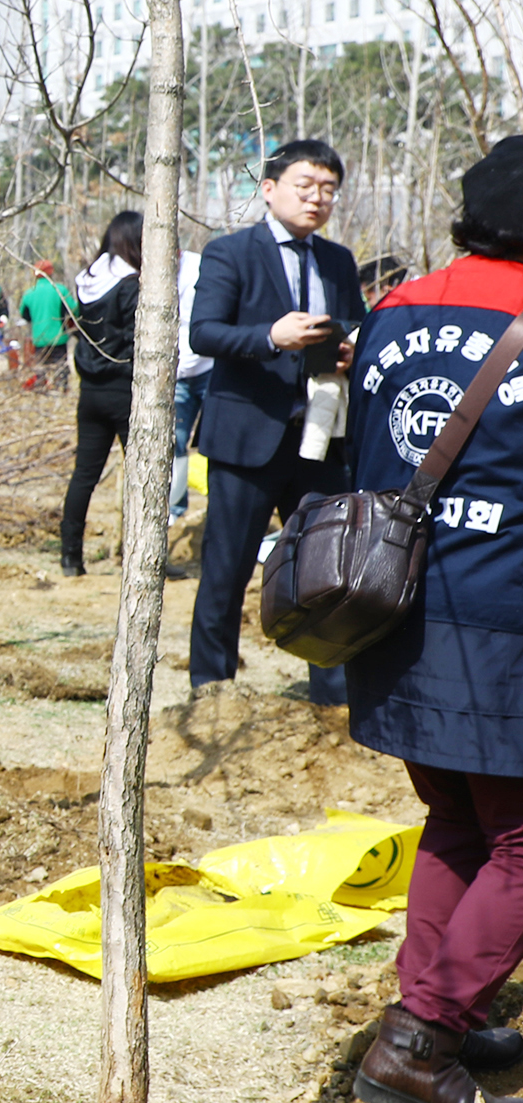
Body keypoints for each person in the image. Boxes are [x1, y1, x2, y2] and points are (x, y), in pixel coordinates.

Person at [343, 136, 523, 1103]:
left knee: (459, 821)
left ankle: (445, 1018)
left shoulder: (397, 308)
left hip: (401, 609)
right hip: (504, 626)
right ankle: (420, 1035)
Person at [187, 139, 362, 704]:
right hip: (247, 437)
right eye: (305, 187)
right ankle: (211, 689)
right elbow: (203, 333)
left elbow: (357, 326)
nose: (317, 200)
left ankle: (332, 694)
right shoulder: (231, 253)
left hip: (320, 436)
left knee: (324, 571)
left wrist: (352, 350)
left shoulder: (338, 261)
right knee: (227, 569)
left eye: (328, 190)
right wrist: (269, 337)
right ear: (269, 190)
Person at [60, 213, 142, 576]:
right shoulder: (131, 284)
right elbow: (137, 338)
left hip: (89, 390)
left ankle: (70, 558)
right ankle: (143, 557)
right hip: (124, 389)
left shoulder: (87, 280)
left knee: (84, 475)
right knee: (143, 475)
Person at [169, 248, 209, 523]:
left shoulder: (200, 266)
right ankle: (174, 509)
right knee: (176, 441)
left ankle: (220, 506)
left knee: (218, 443)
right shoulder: (143, 269)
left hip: (209, 367)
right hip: (174, 373)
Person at [17, 259, 74, 392]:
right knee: (61, 366)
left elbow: (24, 314)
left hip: (39, 338)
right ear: (51, 273)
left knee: (41, 367)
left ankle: (42, 388)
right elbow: (73, 309)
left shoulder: (28, 294)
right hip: (59, 337)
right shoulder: (60, 290)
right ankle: (62, 388)